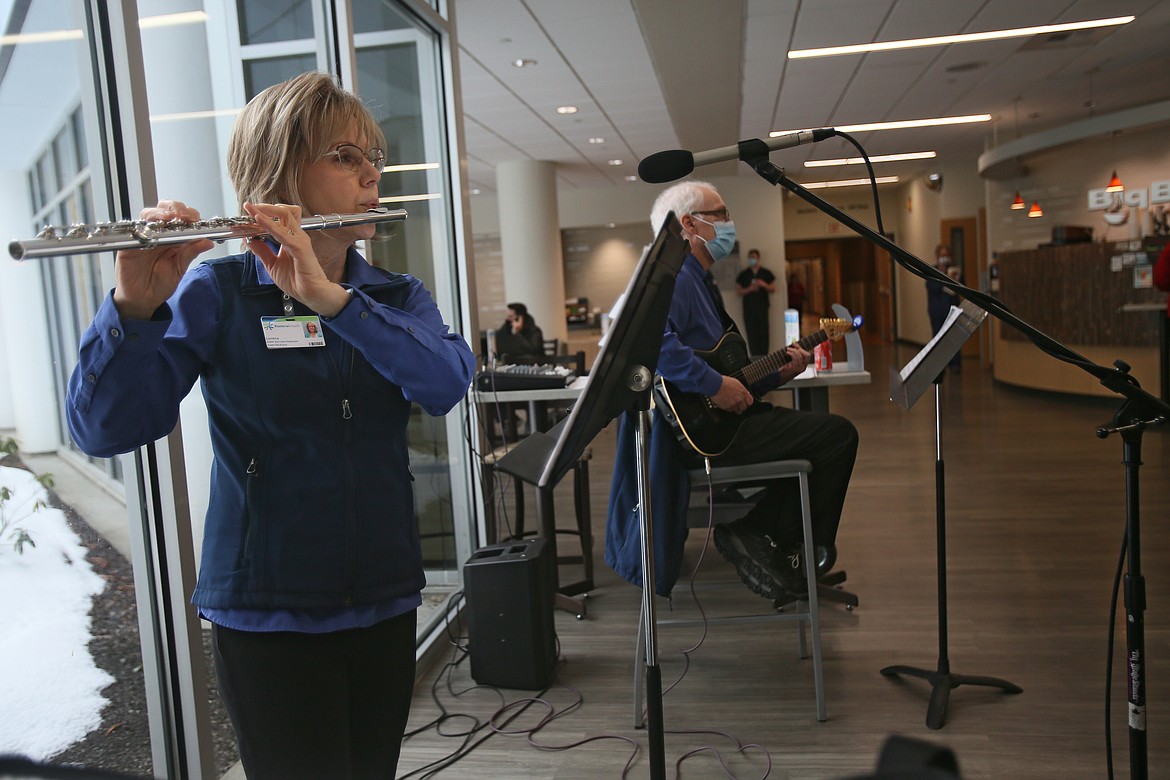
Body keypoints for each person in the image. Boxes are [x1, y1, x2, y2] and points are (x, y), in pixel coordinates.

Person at [64, 72, 475, 779]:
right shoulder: (219, 291)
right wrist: (133, 311)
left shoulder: (394, 296)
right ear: (281, 174)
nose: (371, 173)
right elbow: (106, 431)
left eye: (372, 156)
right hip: (268, 606)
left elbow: (444, 383)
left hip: (382, 592)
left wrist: (331, 300)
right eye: (344, 157)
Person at [606, 180, 859, 601]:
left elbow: (728, 370)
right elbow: (648, 342)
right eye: (721, 214)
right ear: (689, 223)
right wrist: (714, 386)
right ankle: (764, 536)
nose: (729, 223)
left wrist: (778, 374)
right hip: (705, 433)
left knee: (818, 443)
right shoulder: (676, 278)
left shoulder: (699, 281)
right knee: (837, 437)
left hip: (721, 421)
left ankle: (770, 541)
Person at [925, 244, 962, 373]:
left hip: (952, 310)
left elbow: (963, 288)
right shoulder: (931, 270)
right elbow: (932, 288)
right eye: (942, 256)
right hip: (937, 311)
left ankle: (955, 365)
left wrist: (955, 278)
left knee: (953, 339)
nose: (944, 258)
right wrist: (941, 274)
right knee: (938, 340)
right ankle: (939, 368)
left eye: (946, 256)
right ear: (937, 257)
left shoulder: (954, 269)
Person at [734, 247, 776, 355]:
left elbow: (773, 288)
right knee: (751, 335)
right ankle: (755, 358)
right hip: (749, 310)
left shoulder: (765, 273)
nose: (752, 259)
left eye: (754, 257)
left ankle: (764, 357)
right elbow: (739, 291)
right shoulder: (744, 274)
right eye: (750, 257)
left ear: (758, 258)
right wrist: (750, 289)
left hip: (762, 309)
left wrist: (763, 284)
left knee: (763, 334)